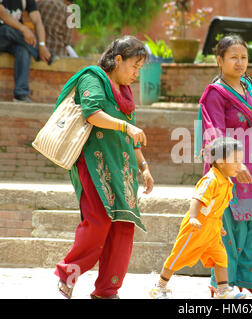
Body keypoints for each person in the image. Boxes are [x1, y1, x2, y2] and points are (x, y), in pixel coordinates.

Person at [54, 35, 154, 299]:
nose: (136, 73)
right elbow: (92, 112)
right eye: (133, 66)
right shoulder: (93, 78)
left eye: (140, 69)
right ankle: (68, 274)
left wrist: (143, 166)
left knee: (123, 227)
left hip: (124, 169)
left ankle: (107, 291)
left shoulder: (126, 93)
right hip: (95, 164)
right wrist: (125, 125)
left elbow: (132, 138)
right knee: (98, 222)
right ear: (117, 60)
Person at [194, 34, 252, 298]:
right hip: (228, 169)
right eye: (234, 57)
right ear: (220, 60)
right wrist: (231, 163)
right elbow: (214, 132)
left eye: (244, 57)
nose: (240, 63)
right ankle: (222, 285)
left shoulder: (248, 87)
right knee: (227, 227)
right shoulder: (215, 94)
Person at [150, 137, 246, 299]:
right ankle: (159, 286)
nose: (240, 165)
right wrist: (193, 217)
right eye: (235, 161)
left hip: (212, 230)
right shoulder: (211, 179)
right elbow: (197, 199)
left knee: (221, 258)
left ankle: (223, 290)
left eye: (241, 161)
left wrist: (220, 225)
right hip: (196, 228)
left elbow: (218, 207)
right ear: (221, 162)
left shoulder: (227, 182)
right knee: (178, 256)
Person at [0, 0, 55, 102]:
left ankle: (21, 94)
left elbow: (38, 21)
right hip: (3, 34)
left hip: (15, 39)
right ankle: (37, 53)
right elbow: (2, 14)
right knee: (8, 29)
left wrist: (42, 45)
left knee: (23, 50)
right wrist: (24, 29)